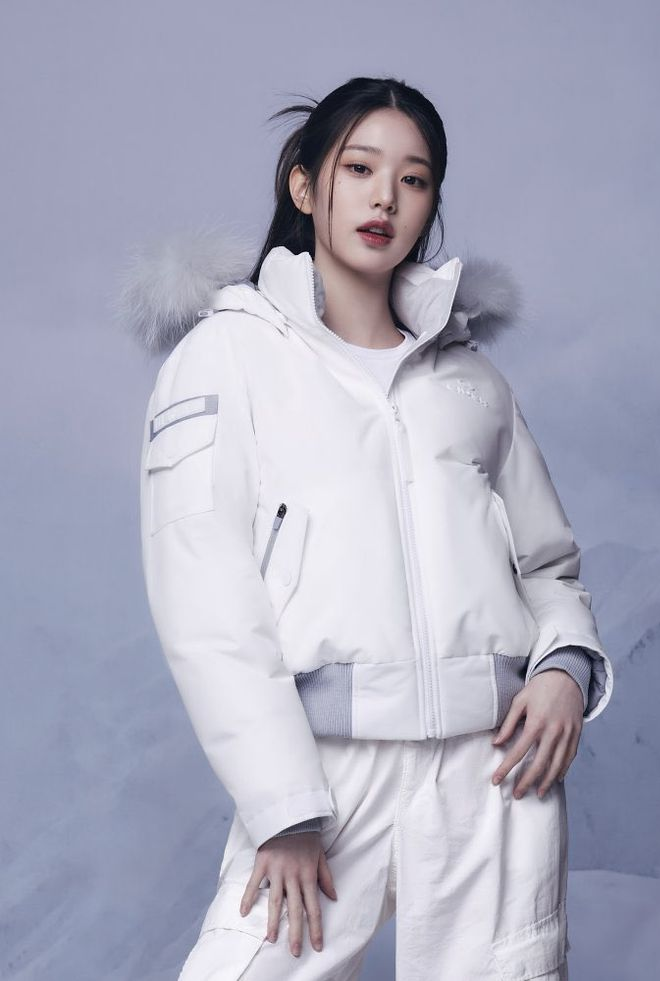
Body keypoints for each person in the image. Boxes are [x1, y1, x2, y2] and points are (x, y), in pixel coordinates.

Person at [123, 76, 613, 980]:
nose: (386, 196)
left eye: (414, 179)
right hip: (327, 774)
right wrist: (283, 805)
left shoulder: (469, 381)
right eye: (359, 168)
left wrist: (564, 668)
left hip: (495, 774)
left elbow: (548, 564)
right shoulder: (226, 357)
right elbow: (205, 599)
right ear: (304, 185)